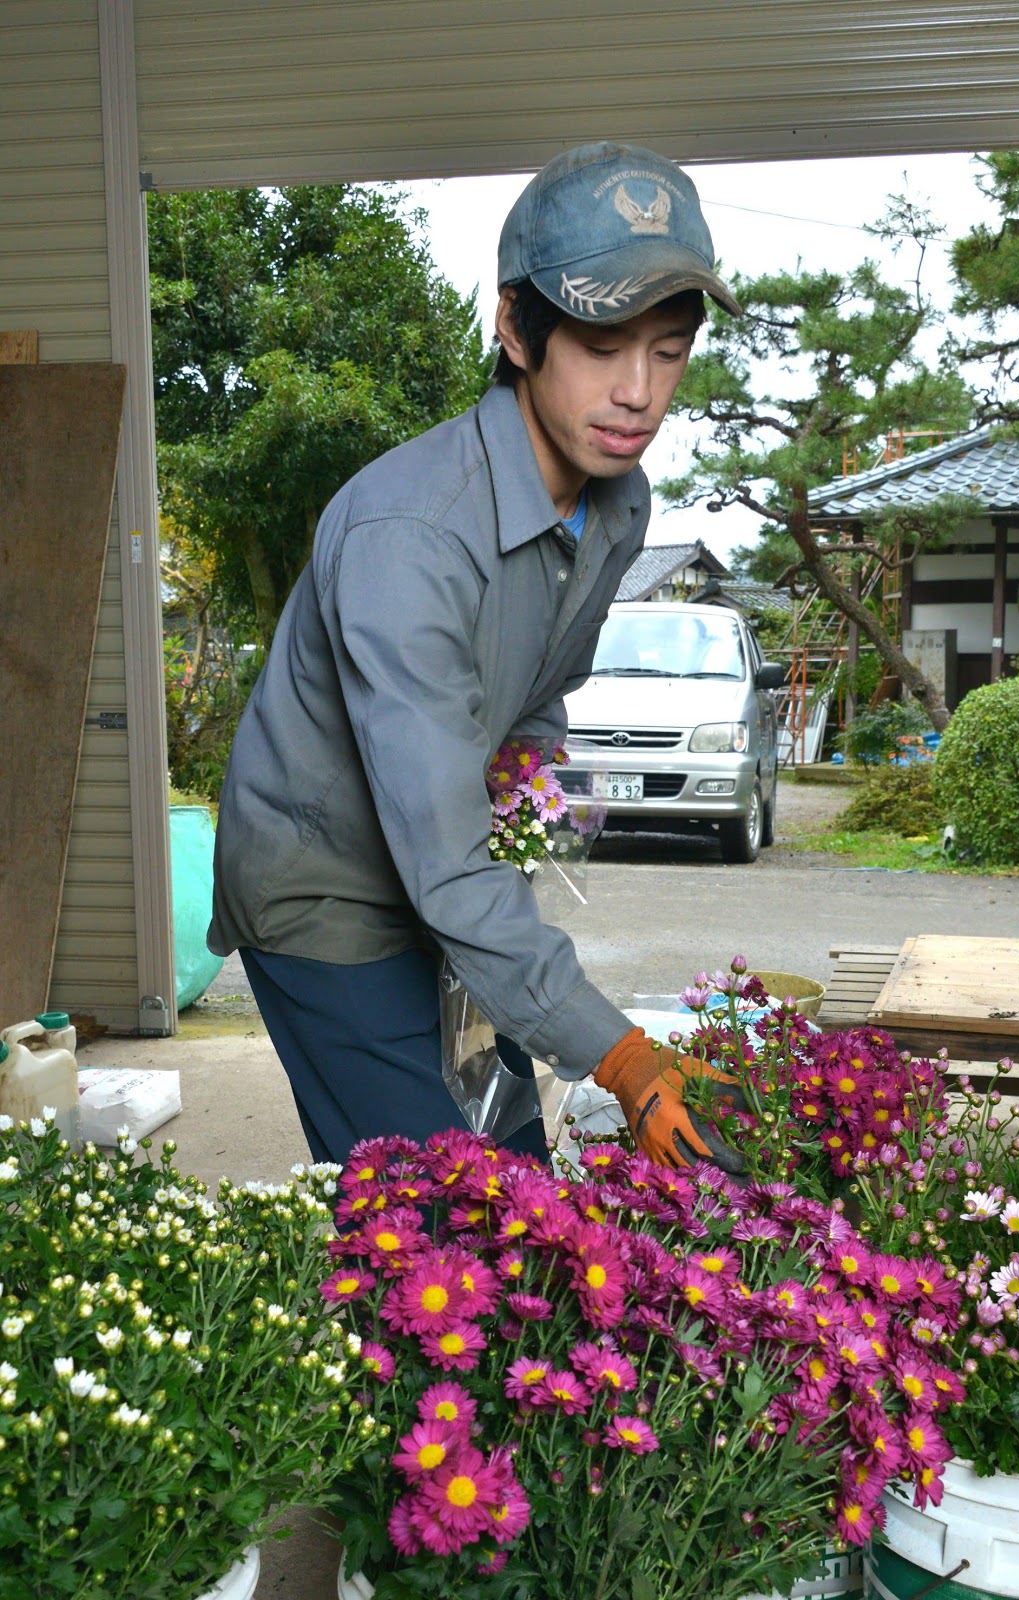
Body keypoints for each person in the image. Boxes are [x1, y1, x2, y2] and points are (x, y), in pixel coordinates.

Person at [207, 140, 746, 1171]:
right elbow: (445, 862)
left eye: (669, 350)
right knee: (444, 1216)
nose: (637, 391)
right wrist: (622, 1058)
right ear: (517, 329)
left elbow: (543, 696)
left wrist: (529, 799)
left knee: (517, 1168)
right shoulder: (409, 536)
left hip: (451, 872)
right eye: (602, 343)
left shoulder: (618, 504)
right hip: (325, 891)